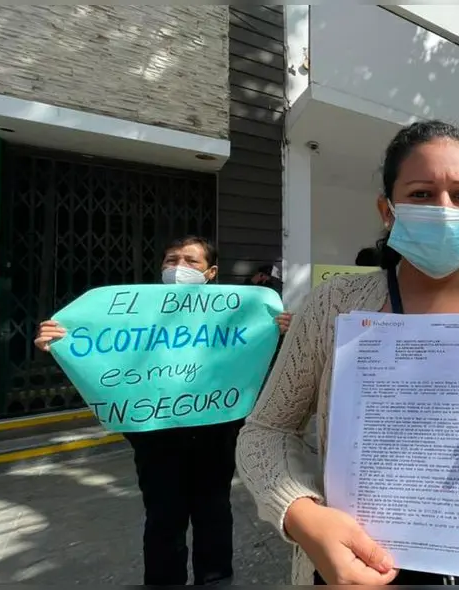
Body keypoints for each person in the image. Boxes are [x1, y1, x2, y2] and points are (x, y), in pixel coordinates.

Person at [235, 121, 459, 585]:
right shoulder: (333, 305)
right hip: (363, 572)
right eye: (422, 194)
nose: (444, 209)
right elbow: (265, 431)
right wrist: (302, 517)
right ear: (388, 209)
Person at [33, 236, 292, 585]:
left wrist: (281, 333)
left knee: (213, 509)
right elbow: (99, 349)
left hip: (217, 429)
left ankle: (215, 579)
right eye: (171, 260)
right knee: (162, 515)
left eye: (190, 261)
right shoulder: (135, 314)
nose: (178, 268)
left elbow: (257, 361)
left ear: (211, 272)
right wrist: (60, 341)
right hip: (155, 433)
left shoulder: (237, 313)